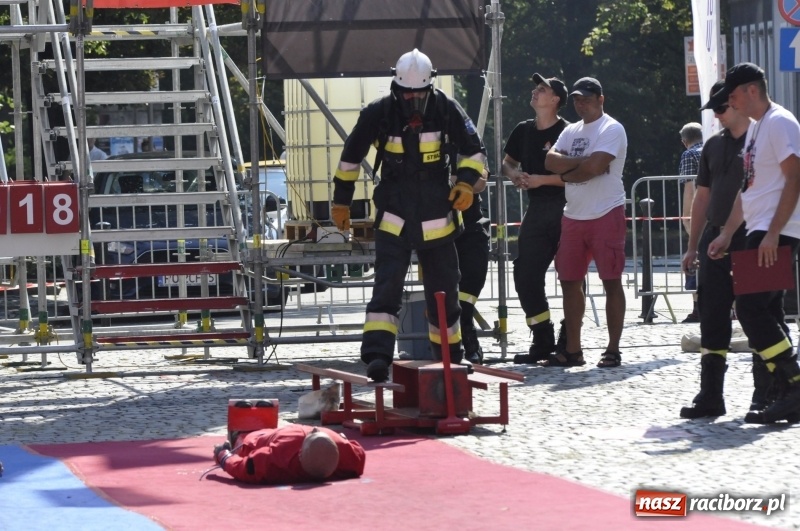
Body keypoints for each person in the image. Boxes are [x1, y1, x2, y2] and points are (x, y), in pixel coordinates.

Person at [331, 49, 488, 382]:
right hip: (395, 211)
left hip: (437, 212)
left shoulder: (446, 108)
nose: (413, 100)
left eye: (419, 94)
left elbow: (474, 151)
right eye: (406, 94)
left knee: (444, 292)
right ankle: (377, 357)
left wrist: (464, 183)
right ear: (395, 87)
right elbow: (350, 157)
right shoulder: (378, 113)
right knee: (387, 286)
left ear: (430, 86)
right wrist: (341, 202)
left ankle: (449, 359)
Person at [708, 62, 800, 424]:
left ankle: (793, 383)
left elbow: (795, 177)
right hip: (758, 230)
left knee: (749, 309)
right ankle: (783, 390)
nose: (730, 103)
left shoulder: (780, 122)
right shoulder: (757, 129)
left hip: (775, 232)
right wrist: (727, 233)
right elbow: (748, 191)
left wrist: (774, 232)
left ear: (750, 90)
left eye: (732, 95)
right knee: (768, 311)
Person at [542, 76, 628, 368]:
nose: (581, 105)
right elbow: (550, 161)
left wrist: (572, 169)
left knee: (611, 281)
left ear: (601, 100)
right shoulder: (571, 130)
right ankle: (573, 350)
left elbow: (594, 167)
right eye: (577, 100)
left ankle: (613, 349)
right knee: (569, 282)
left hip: (606, 211)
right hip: (573, 214)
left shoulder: (612, 128)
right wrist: (582, 165)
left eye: (587, 100)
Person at [678, 81, 751, 418]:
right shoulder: (713, 146)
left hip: (753, 238)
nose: (717, 116)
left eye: (721, 108)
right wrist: (692, 246)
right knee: (712, 316)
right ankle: (711, 395)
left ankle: (768, 393)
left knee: (759, 315)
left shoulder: (760, 141)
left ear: (738, 102)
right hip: (714, 239)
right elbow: (702, 197)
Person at [502, 74, 570, 364]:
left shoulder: (569, 132)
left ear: (555, 100)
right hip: (538, 209)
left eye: (542, 89)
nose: (535, 91)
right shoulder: (523, 130)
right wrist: (514, 174)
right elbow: (507, 163)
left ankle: (569, 340)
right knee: (525, 273)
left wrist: (541, 179)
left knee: (570, 276)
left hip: (568, 208)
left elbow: (578, 175)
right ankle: (542, 337)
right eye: (535, 87)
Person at [212, 424, 366, 484]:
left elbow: (245, 467)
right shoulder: (348, 457)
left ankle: (238, 435)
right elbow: (360, 454)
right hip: (285, 434)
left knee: (246, 442)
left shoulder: (277, 460)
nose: (314, 429)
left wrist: (223, 455)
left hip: (262, 437)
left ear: (300, 454)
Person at [455, 169, 490, 364]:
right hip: (438, 226)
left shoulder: (471, 151)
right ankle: (462, 344)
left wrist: (449, 179)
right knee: (445, 292)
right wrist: (462, 180)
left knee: (471, 284)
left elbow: (480, 183)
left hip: (472, 226)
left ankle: (467, 338)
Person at [677, 122, 704, 323]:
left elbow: (689, 188)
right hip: (721, 212)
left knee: (694, 259)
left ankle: (698, 309)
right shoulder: (715, 149)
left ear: (684, 141)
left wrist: (687, 218)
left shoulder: (689, 155)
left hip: (700, 213)